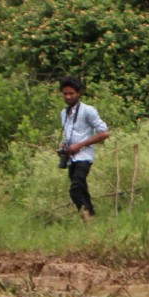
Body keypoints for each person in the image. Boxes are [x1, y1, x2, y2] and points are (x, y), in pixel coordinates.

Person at [57, 77, 109, 220]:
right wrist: (63, 146)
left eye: (71, 94)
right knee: (82, 190)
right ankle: (91, 220)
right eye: (65, 94)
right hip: (70, 158)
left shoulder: (88, 110)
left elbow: (104, 132)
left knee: (75, 189)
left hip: (84, 157)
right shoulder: (64, 113)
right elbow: (69, 135)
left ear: (79, 93)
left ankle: (87, 216)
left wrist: (80, 145)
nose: (68, 97)